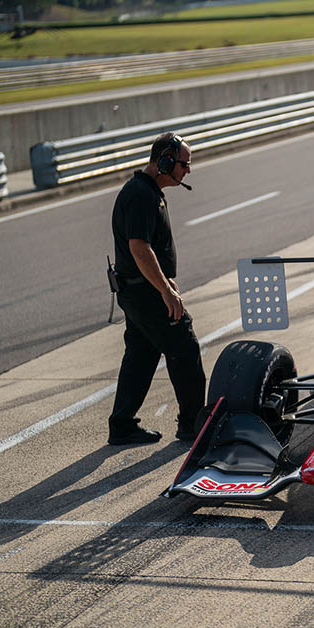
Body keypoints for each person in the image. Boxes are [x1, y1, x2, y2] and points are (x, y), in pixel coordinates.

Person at [108, 132, 206, 446]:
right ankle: (192, 425)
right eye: (183, 164)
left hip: (139, 291)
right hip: (146, 294)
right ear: (164, 161)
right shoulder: (141, 195)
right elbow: (139, 248)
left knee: (140, 355)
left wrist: (165, 280)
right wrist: (165, 290)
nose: (187, 170)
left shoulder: (147, 192)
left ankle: (122, 425)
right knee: (185, 349)